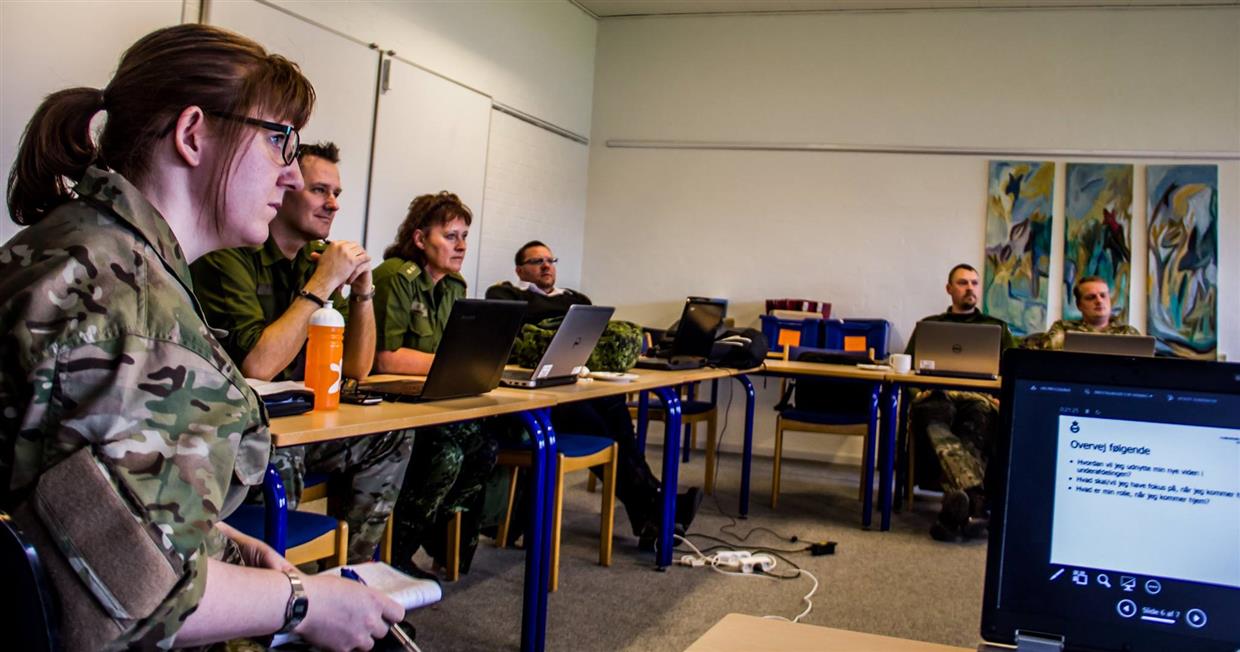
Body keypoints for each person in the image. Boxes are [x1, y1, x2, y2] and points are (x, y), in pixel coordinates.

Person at [0, 24, 401, 650]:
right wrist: (306, 603)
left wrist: (221, 544)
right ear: (192, 135)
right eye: (278, 141)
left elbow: (80, 501)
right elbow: (141, 601)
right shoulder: (142, 315)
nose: (291, 177)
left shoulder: (72, 243)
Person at [191, 141, 413, 564]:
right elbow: (259, 365)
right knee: (281, 455)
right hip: (235, 429)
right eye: (319, 190)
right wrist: (322, 284)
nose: (333, 204)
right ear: (285, 188)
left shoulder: (311, 263)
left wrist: (363, 292)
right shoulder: (230, 257)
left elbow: (356, 368)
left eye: (337, 194)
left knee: (392, 436)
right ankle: (279, 587)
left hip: (297, 424)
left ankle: (351, 572)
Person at [487, 241, 703, 549]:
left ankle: (649, 509)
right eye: (536, 262)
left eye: (550, 260)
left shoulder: (575, 298)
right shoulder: (510, 295)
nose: (546, 266)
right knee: (598, 429)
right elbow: (522, 315)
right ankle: (656, 503)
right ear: (520, 271)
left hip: (577, 383)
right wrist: (557, 309)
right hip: (542, 397)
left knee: (615, 412)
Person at [372, 192, 496, 575]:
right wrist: (457, 364)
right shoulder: (395, 276)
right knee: (446, 455)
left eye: (464, 237)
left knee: (485, 448)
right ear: (420, 239)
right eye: (450, 236)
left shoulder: (454, 285)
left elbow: (448, 351)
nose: (461, 246)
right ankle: (395, 555)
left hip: (432, 401)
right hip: (390, 406)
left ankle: (440, 542)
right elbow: (385, 358)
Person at [905, 264, 1014, 543]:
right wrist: (917, 394)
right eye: (963, 283)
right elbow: (908, 368)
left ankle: (953, 514)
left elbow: (1013, 370)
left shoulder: (996, 328)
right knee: (932, 416)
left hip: (980, 398)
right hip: (937, 394)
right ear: (949, 289)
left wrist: (1000, 397)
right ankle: (974, 499)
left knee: (978, 423)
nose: (970, 288)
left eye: (974, 283)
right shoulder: (930, 326)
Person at [1024, 276, 1141, 350]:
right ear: (1079, 305)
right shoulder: (1064, 328)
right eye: (1091, 297)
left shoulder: (1128, 332)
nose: (1099, 301)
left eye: (1103, 295)